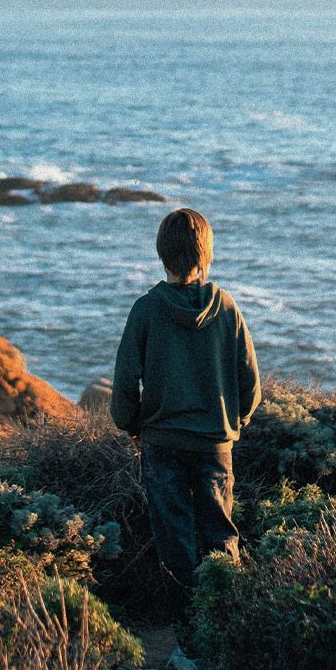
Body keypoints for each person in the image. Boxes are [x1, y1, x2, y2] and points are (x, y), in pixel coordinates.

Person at [111, 207, 261, 612]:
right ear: (206, 253)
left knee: (174, 542)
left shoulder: (146, 309)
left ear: (162, 254)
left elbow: (124, 385)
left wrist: (133, 425)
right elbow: (251, 386)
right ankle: (224, 629)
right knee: (221, 537)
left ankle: (184, 638)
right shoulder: (227, 307)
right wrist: (234, 422)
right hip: (215, 444)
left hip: (162, 444)